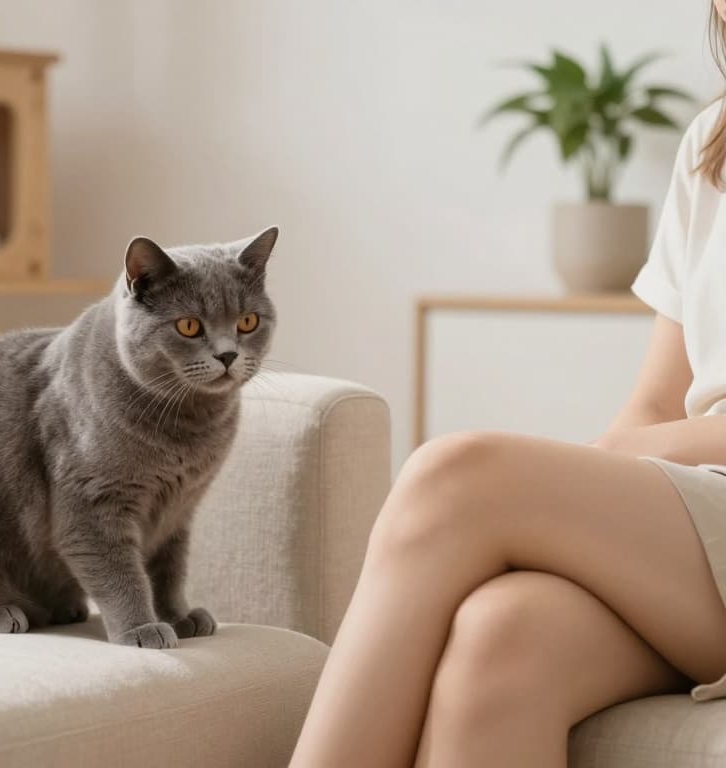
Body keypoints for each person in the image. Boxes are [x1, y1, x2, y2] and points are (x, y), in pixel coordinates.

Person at [289, 4, 726, 766]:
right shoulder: (713, 144)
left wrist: (617, 456)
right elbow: (658, 400)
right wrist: (609, 480)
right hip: (698, 522)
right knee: (501, 637)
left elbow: (643, 431)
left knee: (457, 476)